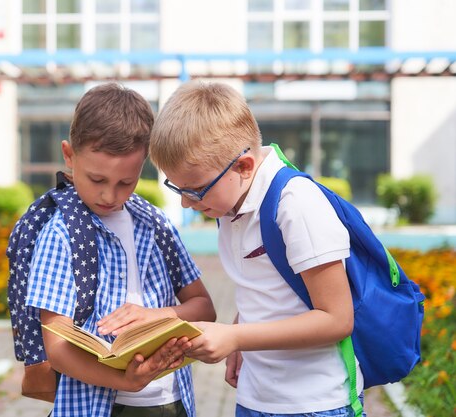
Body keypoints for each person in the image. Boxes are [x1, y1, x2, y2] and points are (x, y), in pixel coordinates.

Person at [148, 80, 365, 417]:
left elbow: (337, 319)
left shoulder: (295, 204)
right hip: (255, 398)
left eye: (195, 190)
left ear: (244, 166)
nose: (186, 202)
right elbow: (269, 288)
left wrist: (238, 338)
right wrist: (238, 330)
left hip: (316, 403)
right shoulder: (230, 201)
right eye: (177, 188)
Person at [26, 82, 217, 417]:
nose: (110, 196)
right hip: (98, 405)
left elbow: (204, 308)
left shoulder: (154, 222)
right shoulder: (60, 233)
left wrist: (155, 317)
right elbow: (56, 348)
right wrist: (123, 381)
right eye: (97, 180)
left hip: (170, 400)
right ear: (69, 155)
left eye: (125, 182)